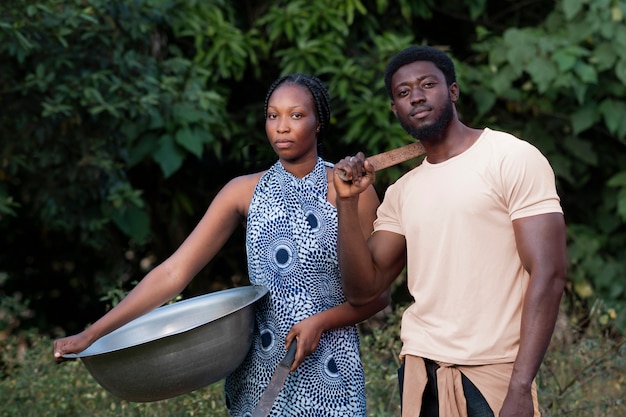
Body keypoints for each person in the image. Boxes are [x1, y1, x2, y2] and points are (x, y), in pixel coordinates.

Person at [54, 73, 388, 416]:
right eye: (273, 116)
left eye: (297, 115)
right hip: (260, 371)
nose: (282, 126)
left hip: (331, 370)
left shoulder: (352, 190)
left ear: (319, 123)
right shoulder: (242, 192)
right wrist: (91, 335)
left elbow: (377, 296)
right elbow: (173, 272)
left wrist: (321, 321)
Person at [333, 45, 568, 417]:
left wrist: (520, 388)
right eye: (404, 92)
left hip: (494, 375)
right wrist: (346, 204)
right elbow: (364, 289)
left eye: (428, 84)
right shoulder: (402, 192)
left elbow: (550, 273)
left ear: (453, 91)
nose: (417, 97)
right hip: (421, 375)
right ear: (395, 108)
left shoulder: (510, 157)